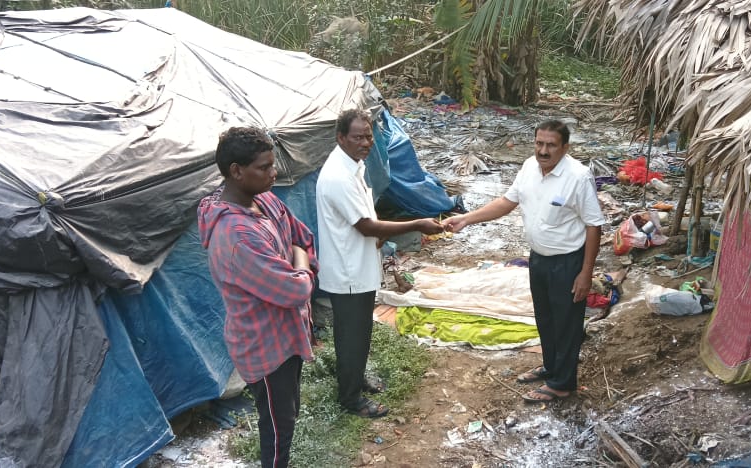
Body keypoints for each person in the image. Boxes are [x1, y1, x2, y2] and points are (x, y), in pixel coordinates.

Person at [443, 119, 605, 403]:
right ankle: (551, 367)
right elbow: (507, 202)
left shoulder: (578, 177)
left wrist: (586, 272)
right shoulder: (530, 167)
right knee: (545, 318)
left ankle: (562, 384)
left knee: (567, 323)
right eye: (539, 143)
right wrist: (466, 219)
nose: (543, 151)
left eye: (551, 145)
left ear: (565, 148)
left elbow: (594, 225)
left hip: (568, 262)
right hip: (539, 259)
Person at [198, 127, 317, 468]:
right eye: (263, 167)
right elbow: (295, 290)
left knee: (286, 416)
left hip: (286, 335)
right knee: (278, 429)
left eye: (272, 164)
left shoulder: (264, 200)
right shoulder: (236, 235)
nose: (273, 172)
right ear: (236, 171)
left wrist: (298, 258)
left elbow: (301, 235)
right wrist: (300, 261)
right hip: (265, 347)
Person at [316, 109, 444, 418]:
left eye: (369, 135)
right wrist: (418, 224)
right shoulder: (337, 176)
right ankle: (350, 399)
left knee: (357, 332)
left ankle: (356, 377)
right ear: (340, 137)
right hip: (348, 271)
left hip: (358, 265)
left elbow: (365, 221)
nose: (365, 142)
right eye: (357, 137)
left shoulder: (352, 166)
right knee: (352, 334)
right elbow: (367, 226)